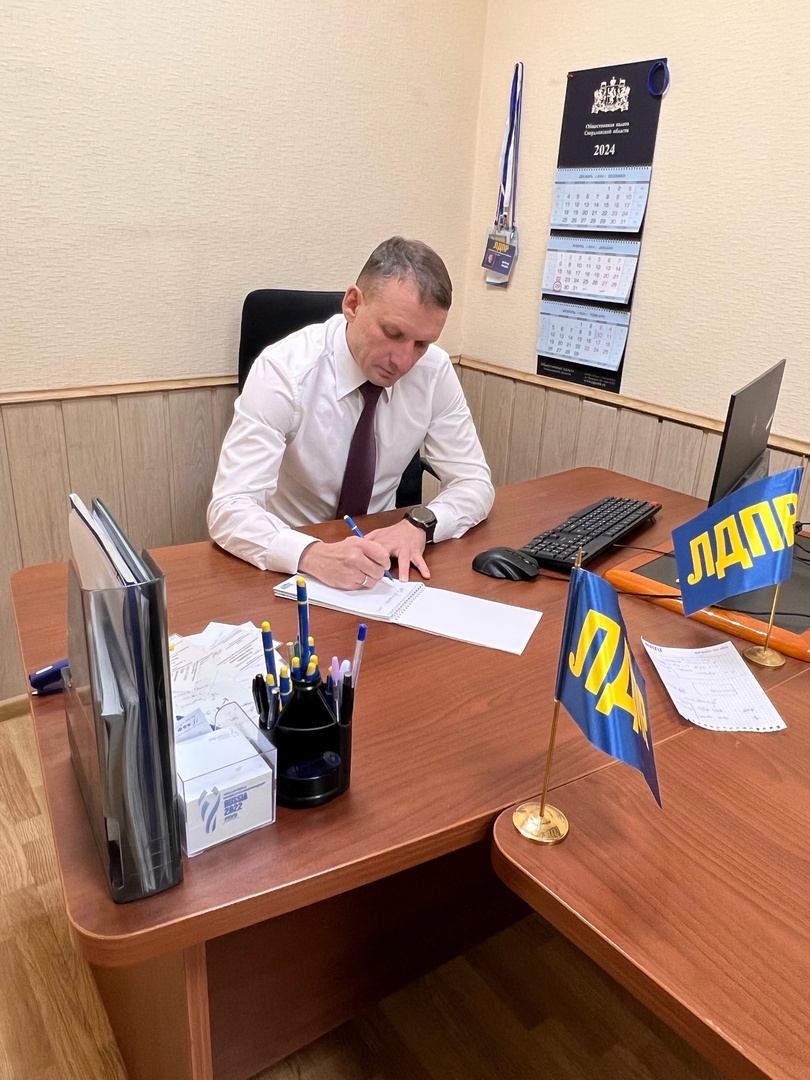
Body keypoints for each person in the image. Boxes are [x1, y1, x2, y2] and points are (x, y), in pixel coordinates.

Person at [208, 237, 494, 589]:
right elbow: (230, 506)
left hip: (383, 564)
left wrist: (421, 524)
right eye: (393, 333)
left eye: (422, 343)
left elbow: (474, 482)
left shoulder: (433, 372)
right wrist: (311, 554)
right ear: (353, 304)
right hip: (293, 564)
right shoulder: (283, 371)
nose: (404, 361)